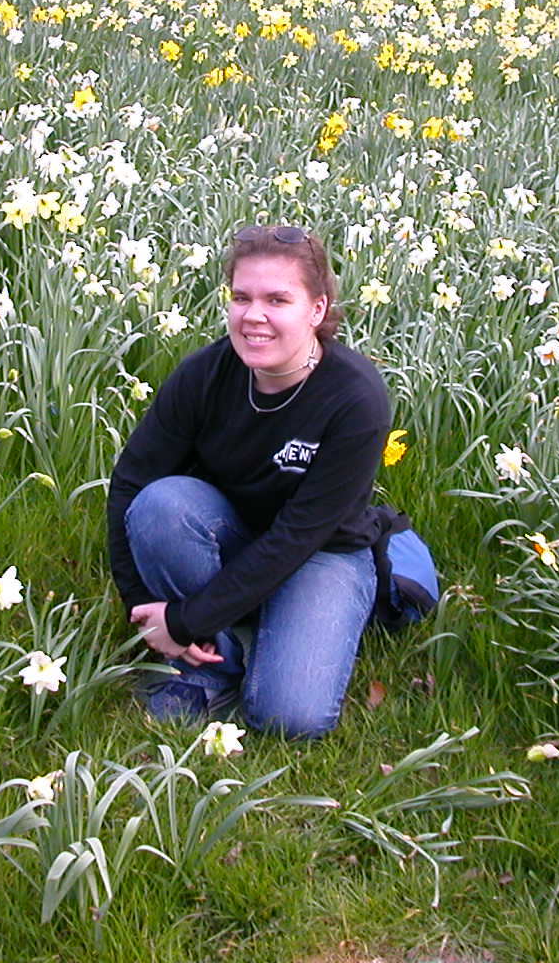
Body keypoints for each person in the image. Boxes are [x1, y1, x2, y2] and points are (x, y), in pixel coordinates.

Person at [107, 225, 393, 738]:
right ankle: (214, 664)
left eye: (277, 300)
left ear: (317, 309)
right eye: (241, 297)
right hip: (229, 531)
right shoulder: (205, 373)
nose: (253, 316)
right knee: (160, 504)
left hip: (321, 552)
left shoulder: (355, 398)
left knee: (290, 718)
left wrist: (183, 620)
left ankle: (253, 627)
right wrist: (139, 606)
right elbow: (129, 482)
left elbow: (297, 537)